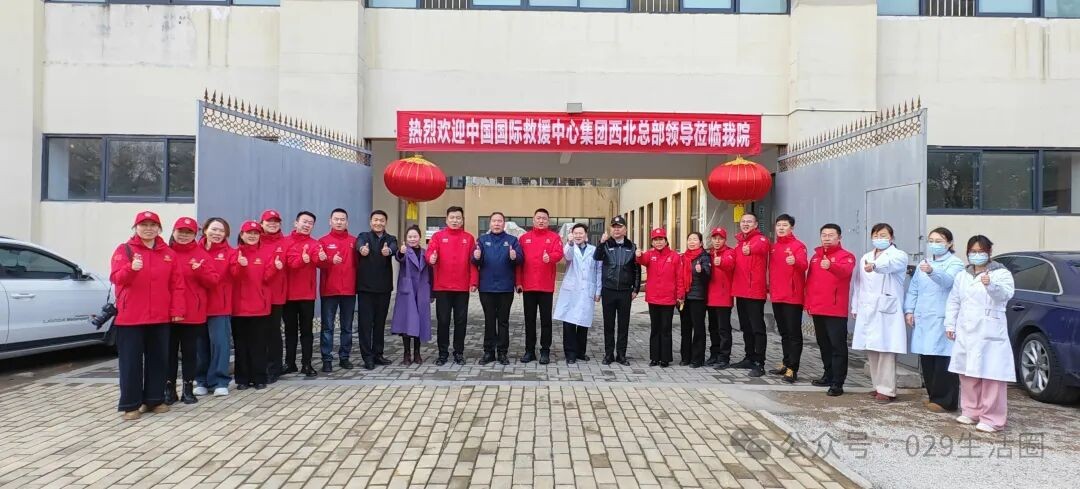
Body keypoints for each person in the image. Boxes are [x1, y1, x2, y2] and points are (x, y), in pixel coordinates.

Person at [109, 211, 186, 420]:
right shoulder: (124, 250)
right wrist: (131, 268)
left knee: (158, 360)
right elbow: (116, 278)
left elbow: (177, 285)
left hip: (160, 317)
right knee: (131, 362)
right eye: (144, 225)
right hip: (131, 317)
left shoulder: (168, 253)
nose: (148, 229)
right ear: (136, 228)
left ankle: (154, 399)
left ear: (159, 229)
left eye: (153, 225)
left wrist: (177, 311)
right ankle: (131, 404)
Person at [946, 235, 1015, 433]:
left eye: (980, 251)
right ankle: (971, 411)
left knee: (992, 375)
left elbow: (1005, 295)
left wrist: (990, 285)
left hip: (990, 330)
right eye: (973, 252)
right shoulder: (963, 275)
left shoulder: (1001, 273)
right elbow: (954, 300)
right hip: (966, 329)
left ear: (989, 252)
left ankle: (992, 418)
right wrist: (950, 324)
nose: (976, 255)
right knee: (967, 373)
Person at [904, 227, 965, 412]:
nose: (934, 244)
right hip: (923, 317)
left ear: (950, 243)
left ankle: (946, 400)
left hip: (942, 317)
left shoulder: (955, 263)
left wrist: (932, 272)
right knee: (927, 359)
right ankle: (933, 396)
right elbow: (914, 288)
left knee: (943, 360)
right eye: (931, 241)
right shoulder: (924, 263)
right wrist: (909, 310)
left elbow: (948, 281)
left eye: (939, 241)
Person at [851, 223, 910, 404]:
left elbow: (888, 266)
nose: (879, 238)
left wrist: (875, 265)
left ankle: (887, 389)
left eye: (883, 235)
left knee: (886, 349)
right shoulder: (866, 257)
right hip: (868, 308)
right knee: (873, 348)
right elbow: (859, 284)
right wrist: (855, 306)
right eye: (876, 235)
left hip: (887, 309)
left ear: (891, 238)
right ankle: (877, 385)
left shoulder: (898, 255)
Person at [166, 217, 220, 405]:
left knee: (190, 353)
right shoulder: (165, 253)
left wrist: (200, 271)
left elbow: (213, 281)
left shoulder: (201, 255)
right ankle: (169, 389)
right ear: (173, 232)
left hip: (192, 313)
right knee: (169, 353)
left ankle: (188, 388)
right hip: (168, 312)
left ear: (195, 235)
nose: (184, 235)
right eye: (180, 231)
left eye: (188, 232)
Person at [805, 224, 857, 396]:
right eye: (824, 235)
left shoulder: (846, 256)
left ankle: (837, 382)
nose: (827, 238)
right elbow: (810, 282)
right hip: (818, 308)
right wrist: (808, 304)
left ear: (839, 237)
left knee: (837, 346)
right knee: (823, 344)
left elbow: (845, 273)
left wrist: (831, 266)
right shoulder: (815, 257)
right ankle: (828, 375)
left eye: (831, 235)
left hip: (835, 310)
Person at [231, 220, 282, 391]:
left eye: (256, 233)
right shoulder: (235, 253)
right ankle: (242, 379)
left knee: (259, 344)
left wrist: (275, 268)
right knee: (241, 345)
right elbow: (234, 277)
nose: (252, 236)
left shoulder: (267, 253)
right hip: (239, 307)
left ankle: (260, 377)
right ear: (242, 234)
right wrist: (241, 266)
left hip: (260, 306)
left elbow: (267, 278)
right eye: (249, 233)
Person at [427, 206, 479, 366]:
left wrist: (474, 282)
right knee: (443, 321)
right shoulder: (437, 236)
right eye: (452, 218)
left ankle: (459, 352)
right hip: (442, 287)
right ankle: (442, 353)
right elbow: (430, 253)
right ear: (446, 219)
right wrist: (431, 258)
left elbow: (473, 263)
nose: (455, 220)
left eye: (458, 218)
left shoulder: (469, 238)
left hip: (462, 287)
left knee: (460, 321)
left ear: (462, 220)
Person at [473, 212, 523, 365]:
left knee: (503, 321)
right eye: (494, 221)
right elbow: (474, 261)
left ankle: (502, 352)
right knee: (489, 320)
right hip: (486, 287)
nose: (496, 224)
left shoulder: (512, 240)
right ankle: (488, 352)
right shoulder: (482, 240)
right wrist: (476, 257)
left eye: (499, 221)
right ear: (490, 223)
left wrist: (515, 257)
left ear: (504, 223)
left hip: (505, 288)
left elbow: (520, 259)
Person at [516, 208, 565, 365]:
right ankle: (529, 351)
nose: (541, 221)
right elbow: (519, 263)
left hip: (545, 287)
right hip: (528, 286)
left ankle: (545, 351)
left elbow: (559, 254)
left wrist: (550, 257)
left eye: (544, 218)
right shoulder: (524, 238)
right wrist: (518, 282)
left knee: (546, 321)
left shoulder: (554, 237)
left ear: (548, 221)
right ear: (533, 220)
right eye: (538, 218)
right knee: (529, 320)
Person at [195, 217, 234, 397]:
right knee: (200, 345)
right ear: (205, 230)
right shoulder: (195, 252)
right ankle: (201, 380)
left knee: (220, 344)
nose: (217, 233)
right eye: (214, 229)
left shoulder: (231, 253)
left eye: (221, 231)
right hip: (197, 306)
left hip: (220, 305)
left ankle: (220, 381)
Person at [594, 216, 640, 366]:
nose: (616, 229)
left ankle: (621, 355)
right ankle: (609, 354)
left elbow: (636, 269)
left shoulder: (632, 247)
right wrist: (601, 243)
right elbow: (596, 257)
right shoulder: (606, 245)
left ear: (625, 230)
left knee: (623, 325)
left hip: (625, 291)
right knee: (608, 325)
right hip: (609, 290)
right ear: (610, 229)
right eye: (614, 227)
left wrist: (636, 288)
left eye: (619, 227)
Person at [356, 210, 399, 369]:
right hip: (365, 289)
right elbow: (358, 244)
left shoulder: (390, 239)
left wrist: (389, 251)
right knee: (365, 324)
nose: (378, 223)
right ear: (370, 222)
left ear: (385, 222)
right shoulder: (363, 236)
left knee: (380, 324)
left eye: (381, 220)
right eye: (375, 220)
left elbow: (394, 248)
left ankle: (378, 354)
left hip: (383, 288)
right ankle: (367, 357)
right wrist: (362, 249)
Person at [553, 223, 602, 365]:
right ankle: (570, 353)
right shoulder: (569, 248)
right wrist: (569, 243)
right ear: (572, 235)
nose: (578, 236)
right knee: (569, 323)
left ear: (586, 235)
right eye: (576, 233)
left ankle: (581, 352)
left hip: (587, 290)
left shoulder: (594, 250)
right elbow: (567, 256)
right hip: (571, 291)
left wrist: (598, 290)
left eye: (581, 233)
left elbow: (598, 271)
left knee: (583, 322)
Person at [768, 214, 808, 384]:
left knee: (793, 334)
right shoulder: (774, 247)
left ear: (791, 228)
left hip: (793, 297)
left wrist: (795, 262)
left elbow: (804, 265)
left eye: (784, 225)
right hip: (777, 296)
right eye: (779, 225)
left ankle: (793, 368)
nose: (781, 228)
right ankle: (786, 363)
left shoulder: (799, 246)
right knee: (783, 332)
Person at [731, 212, 771, 377]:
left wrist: (751, 249)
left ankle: (759, 362)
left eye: (749, 221)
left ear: (755, 225)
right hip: (740, 291)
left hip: (754, 292)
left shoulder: (760, 239)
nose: (745, 224)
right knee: (746, 327)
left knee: (757, 328)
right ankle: (749, 357)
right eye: (743, 221)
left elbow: (762, 247)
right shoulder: (739, 243)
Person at [318, 208, 358, 373]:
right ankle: (327, 359)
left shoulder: (354, 241)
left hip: (349, 290)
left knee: (347, 327)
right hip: (329, 291)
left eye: (342, 219)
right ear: (330, 221)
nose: (339, 222)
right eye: (336, 219)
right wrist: (329, 260)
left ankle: (344, 357)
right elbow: (318, 263)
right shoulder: (322, 241)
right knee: (327, 327)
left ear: (347, 222)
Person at [636, 228, 683, 368]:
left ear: (666, 241)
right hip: (653, 298)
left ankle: (665, 358)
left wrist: (680, 295)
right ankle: (654, 358)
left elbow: (679, 277)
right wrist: (638, 255)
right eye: (655, 240)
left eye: (661, 239)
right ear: (652, 242)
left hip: (668, 299)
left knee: (666, 329)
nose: (658, 242)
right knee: (655, 328)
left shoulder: (674, 256)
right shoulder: (650, 255)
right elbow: (641, 260)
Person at [284, 211, 321, 378]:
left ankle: (307, 363)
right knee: (290, 331)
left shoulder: (315, 244)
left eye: (310, 223)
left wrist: (322, 258)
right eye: (304, 222)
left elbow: (320, 262)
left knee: (307, 331)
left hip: (307, 294)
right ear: (296, 223)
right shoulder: (285, 242)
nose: (307, 225)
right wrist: (301, 259)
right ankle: (289, 363)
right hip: (288, 294)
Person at [391, 226, 433, 366]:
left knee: (419, 321)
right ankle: (406, 353)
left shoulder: (425, 253)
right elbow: (399, 257)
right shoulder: (404, 251)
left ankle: (417, 352)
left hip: (422, 289)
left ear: (420, 237)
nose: (412, 239)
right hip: (407, 290)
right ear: (406, 239)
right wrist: (401, 252)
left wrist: (431, 292)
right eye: (410, 237)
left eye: (415, 236)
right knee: (407, 321)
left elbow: (431, 270)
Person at [260, 209, 288, 381]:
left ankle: (274, 368)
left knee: (273, 331)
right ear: (262, 223)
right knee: (259, 332)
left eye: (276, 221)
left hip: (277, 295)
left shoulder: (285, 242)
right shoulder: (255, 241)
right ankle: (259, 367)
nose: (272, 224)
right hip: (257, 295)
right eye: (269, 221)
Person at [679, 232, 711, 368]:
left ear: (701, 243)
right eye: (689, 239)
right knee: (685, 328)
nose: (692, 242)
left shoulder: (704, 257)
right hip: (684, 297)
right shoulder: (683, 257)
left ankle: (697, 359)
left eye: (695, 239)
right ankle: (685, 357)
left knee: (698, 328)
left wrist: (701, 271)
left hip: (698, 297)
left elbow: (708, 277)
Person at [706, 228, 736, 368]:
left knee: (724, 329)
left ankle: (724, 357)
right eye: (715, 238)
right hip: (710, 297)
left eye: (720, 238)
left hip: (724, 297)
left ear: (725, 240)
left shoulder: (730, 252)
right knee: (713, 328)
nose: (717, 241)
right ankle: (714, 354)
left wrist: (721, 262)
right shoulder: (708, 254)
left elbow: (731, 265)